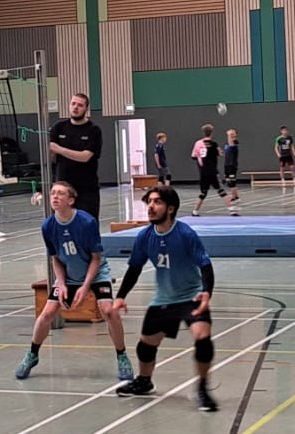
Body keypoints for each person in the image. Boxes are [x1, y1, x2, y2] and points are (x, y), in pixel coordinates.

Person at [112, 186, 217, 412]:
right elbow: (134, 269)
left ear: (170, 209)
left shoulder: (186, 234)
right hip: (164, 299)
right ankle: (144, 380)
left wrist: (207, 292)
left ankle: (203, 388)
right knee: (146, 345)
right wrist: (120, 296)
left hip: (191, 295)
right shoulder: (144, 237)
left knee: (202, 338)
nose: (150, 206)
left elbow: (206, 265)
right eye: (149, 202)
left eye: (157, 202)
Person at [15, 181, 132, 382]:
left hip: (95, 272)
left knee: (108, 310)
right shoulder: (48, 226)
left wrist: (85, 287)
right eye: (52, 193)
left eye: (60, 193)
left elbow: (96, 258)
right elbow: (56, 258)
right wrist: (61, 283)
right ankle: (32, 354)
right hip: (69, 274)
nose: (55, 197)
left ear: (71, 200)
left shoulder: (86, 223)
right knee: (48, 312)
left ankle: (122, 356)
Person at [48, 93, 104, 228]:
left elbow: (85, 157)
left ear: (86, 109)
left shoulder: (93, 130)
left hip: (86, 189)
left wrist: (60, 149)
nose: (75, 107)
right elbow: (49, 153)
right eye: (73, 104)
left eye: (80, 105)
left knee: (87, 226)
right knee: (61, 226)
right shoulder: (58, 128)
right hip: (63, 188)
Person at [191, 124, 231, 215]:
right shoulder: (214, 144)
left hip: (203, 172)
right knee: (221, 190)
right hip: (213, 171)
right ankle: (232, 209)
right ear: (211, 133)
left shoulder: (198, 143)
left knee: (203, 193)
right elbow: (221, 153)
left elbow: (193, 156)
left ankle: (195, 211)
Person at [222, 128, 243, 209]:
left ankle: (233, 198)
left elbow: (231, 143)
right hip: (226, 165)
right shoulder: (226, 145)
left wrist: (229, 134)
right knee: (228, 181)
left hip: (232, 165)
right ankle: (237, 197)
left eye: (233, 133)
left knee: (232, 182)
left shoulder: (234, 143)